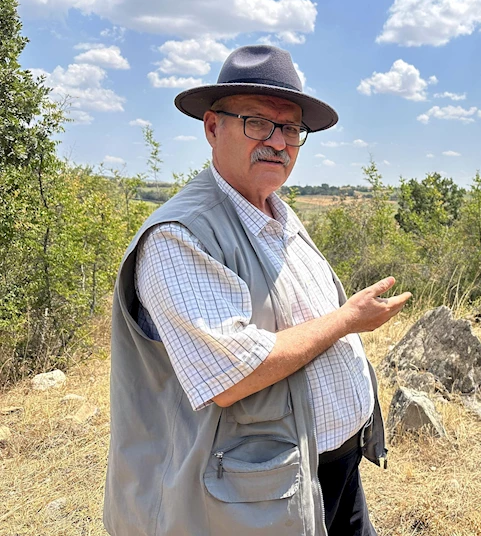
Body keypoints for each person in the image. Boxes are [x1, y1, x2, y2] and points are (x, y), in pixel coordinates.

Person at [103, 45, 411, 536]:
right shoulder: (180, 236)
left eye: (290, 128)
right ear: (211, 127)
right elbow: (233, 374)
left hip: (322, 471)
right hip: (248, 498)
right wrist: (349, 318)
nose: (277, 141)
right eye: (256, 122)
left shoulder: (277, 212)